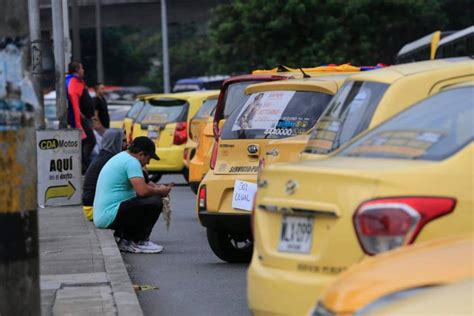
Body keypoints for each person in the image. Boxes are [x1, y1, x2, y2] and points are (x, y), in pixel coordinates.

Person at [93, 136, 172, 253]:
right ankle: (139, 241)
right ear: (141, 154)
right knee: (155, 201)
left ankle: (126, 239)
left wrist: (156, 188)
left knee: (144, 200)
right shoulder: (132, 162)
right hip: (109, 215)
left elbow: (142, 187)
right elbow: (143, 191)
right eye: (148, 158)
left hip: (104, 214)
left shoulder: (123, 156)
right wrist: (161, 191)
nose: (148, 163)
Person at [82, 129, 127, 220]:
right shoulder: (111, 160)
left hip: (92, 207)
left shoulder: (105, 156)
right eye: (123, 141)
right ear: (115, 142)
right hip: (93, 210)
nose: (127, 144)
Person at [66, 61, 96, 173]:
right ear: (77, 69)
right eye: (81, 68)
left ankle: (83, 164)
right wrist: (79, 116)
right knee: (90, 140)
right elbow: (74, 101)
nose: (83, 70)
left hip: (84, 118)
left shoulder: (78, 81)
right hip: (80, 119)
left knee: (84, 142)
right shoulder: (73, 81)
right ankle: (83, 164)